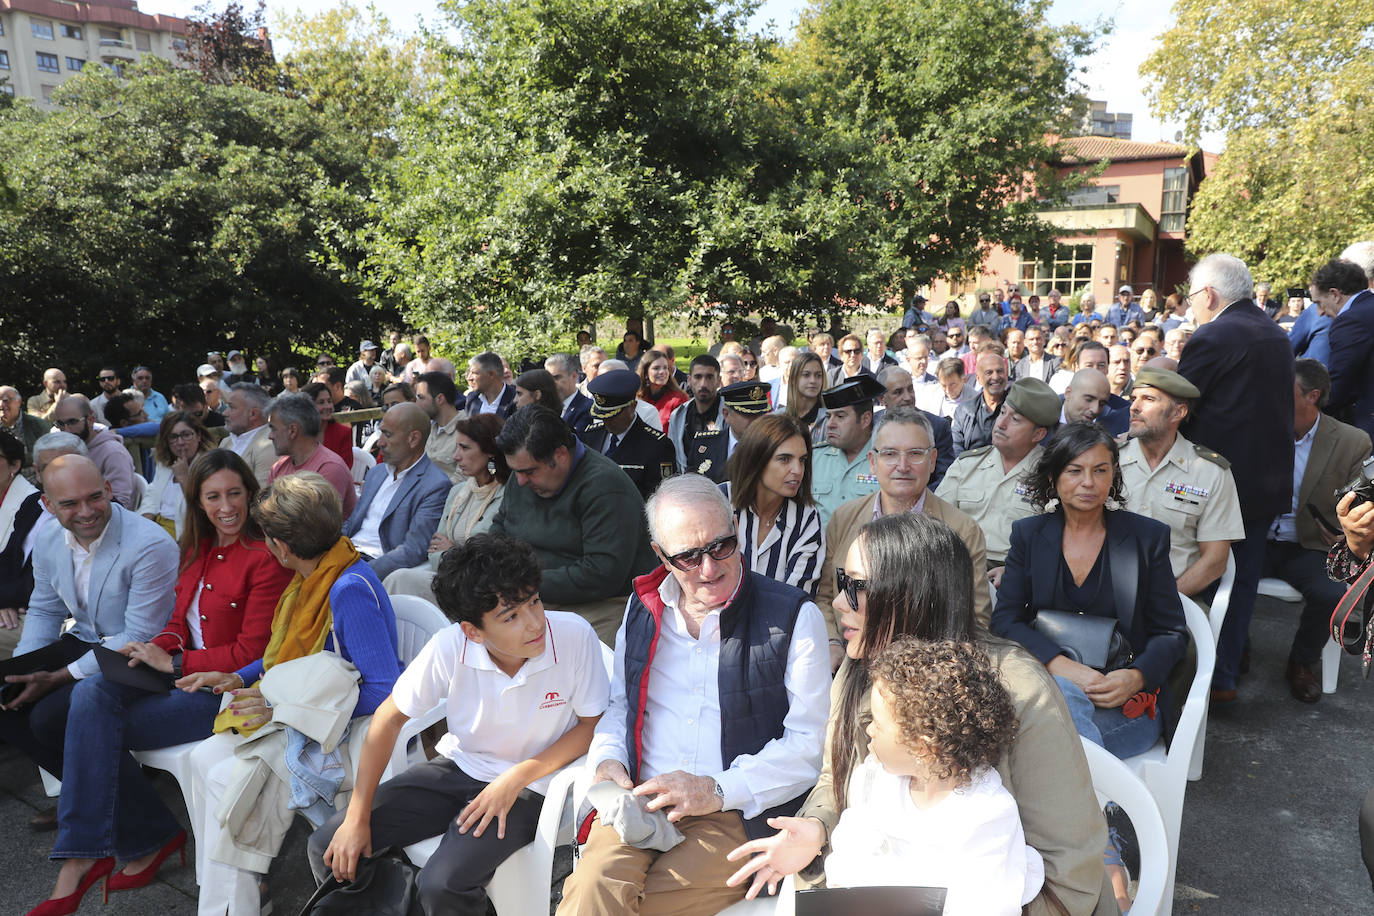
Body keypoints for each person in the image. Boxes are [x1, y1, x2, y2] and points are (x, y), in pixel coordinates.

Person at [725, 512, 1110, 913]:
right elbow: (834, 778)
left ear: (911, 596)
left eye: (855, 587)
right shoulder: (861, 668)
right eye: (842, 582)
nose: (838, 602)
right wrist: (816, 827)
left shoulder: (1017, 688)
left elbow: (1071, 870)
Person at [26, 451, 292, 914]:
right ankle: (123, 842)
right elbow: (175, 620)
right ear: (199, 502)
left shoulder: (264, 557)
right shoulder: (197, 547)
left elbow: (253, 652)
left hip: (223, 690)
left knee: (88, 724)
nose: (226, 506)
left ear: (251, 494)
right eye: (213, 496)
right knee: (78, 700)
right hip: (174, 671)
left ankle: (83, 854)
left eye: (234, 493)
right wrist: (160, 647)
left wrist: (172, 661)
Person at [557, 474, 829, 915]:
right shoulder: (641, 607)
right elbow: (621, 707)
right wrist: (608, 758)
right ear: (662, 556)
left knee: (642, 906)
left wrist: (714, 789)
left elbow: (809, 748)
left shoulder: (794, 616)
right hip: (643, 800)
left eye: (721, 545)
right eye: (688, 556)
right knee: (589, 889)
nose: (709, 567)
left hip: (738, 813)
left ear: (737, 534)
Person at [314, 532, 609, 914]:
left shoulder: (573, 636)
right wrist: (357, 815)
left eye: (534, 602)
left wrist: (515, 778)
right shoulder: (451, 645)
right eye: (512, 616)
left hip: (535, 785)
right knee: (328, 843)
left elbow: (591, 725)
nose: (536, 623)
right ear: (473, 630)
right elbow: (388, 719)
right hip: (461, 767)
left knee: (441, 883)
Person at [188, 471, 402, 914]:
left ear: (281, 546)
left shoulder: (346, 590)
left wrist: (281, 708)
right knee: (201, 759)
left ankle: (233, 907)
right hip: (308, 721)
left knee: (226, 780)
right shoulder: (317, 575)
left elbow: (383, 689)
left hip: (342, 737)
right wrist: (242, 677)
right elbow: (283, 661)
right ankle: (234, 895)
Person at [991, 422, 1189, 758]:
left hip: (1121, 703)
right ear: (1053, 478)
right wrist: (1061, 666)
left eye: (1100, 470)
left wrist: (1136, 677)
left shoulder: (1146, 539)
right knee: (1061, 708)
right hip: (1046, 690)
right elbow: (1006, 621)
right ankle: (1095, 805)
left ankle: (1082, 805)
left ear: (1113, 476)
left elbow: (1171, 632)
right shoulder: (1029, 535)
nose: (1088, 482)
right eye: (1075, 471)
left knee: (1037, 751)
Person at [0, 456, 178, 803]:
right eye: (69, 503)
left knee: (47, 716)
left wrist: (60, 676)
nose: (86, 511)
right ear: (48, 505)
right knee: (7, 698)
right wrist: (23, 670)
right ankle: (93, 798)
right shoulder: (50, 538)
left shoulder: (149, 544)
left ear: (109, 489)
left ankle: (108, 804)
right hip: (85, 642)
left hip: (142, 657)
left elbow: (140, 634)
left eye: (95, 497)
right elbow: (44, 609)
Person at [822, 638, 1042, 914]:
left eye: (878, 723)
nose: (869, 731)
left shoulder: (985, 814)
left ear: (922, 747)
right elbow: (846, 858)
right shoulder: (874, 780)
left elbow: (987, 904)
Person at [1177, 252, 1296, 704]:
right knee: (1241, 582)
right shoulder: (1275, 333)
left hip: (1217, 484)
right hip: (1265, 483)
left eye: (1191, 298)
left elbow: (1179, 406)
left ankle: (1197, 677)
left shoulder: (1214, 335)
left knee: (1199, 574)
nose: (1190, 307)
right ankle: (1225, 674)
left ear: (1209, 294)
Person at [819, 406, 992, 658]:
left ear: (933, 460)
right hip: (849, 656)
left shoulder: (961, 530)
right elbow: (825, 594)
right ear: (872, 462)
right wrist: (832, 642)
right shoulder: (844, 519)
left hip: (926, 670)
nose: (902, 465)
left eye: (915, 454)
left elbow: (974, 619)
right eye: (889, 454)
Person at [491, 406, 657, 643]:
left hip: (601, 605)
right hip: (529, 594)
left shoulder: (605, 487)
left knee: (565, 661)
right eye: (515, 471)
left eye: (528, 472)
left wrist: (523, 583)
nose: (519, 481)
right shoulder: (524, 475)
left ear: (560, 454)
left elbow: (602, 575)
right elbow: (501, 527)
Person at [1263, 360, 1371, 702]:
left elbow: (1359, 503)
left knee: (1330, 592)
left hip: (1309, 545)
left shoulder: (1351, 442)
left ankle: (1302, 661)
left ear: (1312, 396)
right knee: (1221, 575)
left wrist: (1344, 532)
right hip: (1256, 539)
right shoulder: (1261, 429)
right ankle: (1234, 651)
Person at [1119, 367, 1244, 603]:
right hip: (1105, 597)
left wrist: (1163, 600)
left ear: (1178, 412)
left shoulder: (1210, 472)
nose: (1134, 407)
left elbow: (1215, 561)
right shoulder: (1107, 462)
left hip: (1174, 602)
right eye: (1133, 398)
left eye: (1148, 399)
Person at [383, 415, 509, 603]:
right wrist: (458, 553)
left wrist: (452, 552)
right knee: (397, 579)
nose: (455, 456)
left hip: (483, 590)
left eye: (464, 448)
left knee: (399, 580)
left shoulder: (506, 495)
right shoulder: (458, 492)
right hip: (450, 581)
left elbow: (487, 560)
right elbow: (433, 551)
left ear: (490, 452)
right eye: (457, 446)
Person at [936, 378, 1060, 568]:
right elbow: (935, 521)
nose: (1001, 423)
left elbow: (1056, 543)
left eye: (1015, 419)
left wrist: (1017, 572)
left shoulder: (1052, 477)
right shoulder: (967, 465)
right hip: (959, 566)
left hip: (1015, 573)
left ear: (1038, 434)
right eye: (1002, 413)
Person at [342, 403, 454, 581]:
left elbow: (412, 550)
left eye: (387, 434)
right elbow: (351, 524)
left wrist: (358, 573)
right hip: (345, 555)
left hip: (375, 564)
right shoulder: (377, 473)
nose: (380, 443)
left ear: (413, 439)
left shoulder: (435, 485)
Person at [722, 414, 824, 598]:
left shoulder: (806, 517)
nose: (798, 470)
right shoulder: (719, 502)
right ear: (756, 459)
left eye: (802, 460)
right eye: (784, 459)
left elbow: (796, 599)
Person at [578, 369, 677, 501]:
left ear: (633, 407)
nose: (607, 422)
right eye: (602, 416)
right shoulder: (590, 435)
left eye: (614, 416)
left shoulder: (657, 445)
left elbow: (662, 497)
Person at [265, 391, 358, 516]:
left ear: (293, 430)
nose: (270, 436)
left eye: (273, 428)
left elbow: (315, 529)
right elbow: (266, 515)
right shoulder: (279, 467)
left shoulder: (330, 469)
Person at [811, 375, 886, 525]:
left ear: (865, 419)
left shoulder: (885, 460)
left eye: (840, 416)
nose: (830, 424)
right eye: (828, 416)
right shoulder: (814, 458)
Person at [50, 395, 140, 510]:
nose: (66, 430)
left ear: (91, 420)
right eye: (60, 424)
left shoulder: (114, 453)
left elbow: (120, 503)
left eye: (73, 422)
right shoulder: (69, 450)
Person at [137, 411, 216, 539]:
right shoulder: (165, 464)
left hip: (186, 534)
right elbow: (152, 496)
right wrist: (144, 526)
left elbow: (204, 511)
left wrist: (185, 478)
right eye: (173, 437)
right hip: (156, 529)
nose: (180, 442)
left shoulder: (210, 465)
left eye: (186, 435)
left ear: (199, 436)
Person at [0, 431, 43, 660]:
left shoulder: (34, 506)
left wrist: (4, 600)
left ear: (14, 465)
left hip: (25, 610)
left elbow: (28, 574)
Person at [684, 380, 771, 482]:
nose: (756, 421)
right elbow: (691, 488)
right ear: (726, 415)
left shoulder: (775, 446)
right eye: (748, 415)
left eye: (761, 414)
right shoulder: (704, 446)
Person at [667, 355, 723, 471]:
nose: (703, 384)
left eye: (709, 377)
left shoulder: (729, 414)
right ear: (689, 380)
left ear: (719, 381)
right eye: (698, 377)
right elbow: (674, 458)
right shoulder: (677, 416)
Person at [952, 350, 1010, 455]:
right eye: (989, 373)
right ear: (978, 378)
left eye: (1000, 371)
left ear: (1006, 375)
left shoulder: (1017, 408)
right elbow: (956, 447)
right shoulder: (964, 411)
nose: (995, 377)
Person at [414, 370, 466, 485]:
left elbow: (463, 480)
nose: (416, 404)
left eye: (421, 398)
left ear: (440, 399)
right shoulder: (427, 428)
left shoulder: (468, 429)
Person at [223, 383, 275, 486]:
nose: (224, 413)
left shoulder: (269, 445)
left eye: (231, 408)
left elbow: (262, 496)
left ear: (253, 414)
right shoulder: (226, 442)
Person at [1, 386, 54, 482]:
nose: (1, 405)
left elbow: (49, 457)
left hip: (37, 483)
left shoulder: (39, 425)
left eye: (6, 400)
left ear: (19, 402)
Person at [303, 381, 356, 471]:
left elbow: (344, 467)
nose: (327, 406)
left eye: (329, 401)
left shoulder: (343, 432)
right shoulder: (299, 432)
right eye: (321, 402)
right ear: (308, 406)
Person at [782, 351, 830, 445]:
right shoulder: (779, 418)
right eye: (806, 375)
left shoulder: (831, 418)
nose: (813, 381)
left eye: (818, 375)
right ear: (793, 379)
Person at [638, 350, 689, 430]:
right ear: (645, 372)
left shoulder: (678, 399)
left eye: (665, 368)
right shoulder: (638, 398)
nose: (662, 372)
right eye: (656, 368)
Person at [547, 352, 593, 433]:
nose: (552, 383)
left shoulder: (588, 408)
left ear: (574, 376)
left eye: (557, 378)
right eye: (548, 379)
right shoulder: (546, 408)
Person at [464, 352, 517, 419]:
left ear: (491, 374)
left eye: (475, 373)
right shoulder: (472, 399)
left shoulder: (515, 399)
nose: (469, 378)